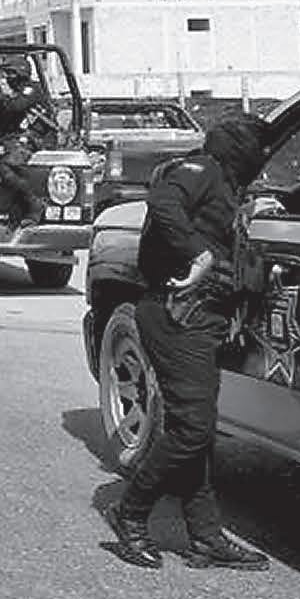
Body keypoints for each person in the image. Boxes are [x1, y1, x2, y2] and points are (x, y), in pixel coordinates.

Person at [102, 110, 275, 571]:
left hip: (199, 318)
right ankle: (130, 512)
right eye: (259, 150)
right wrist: (197, 255)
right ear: (240, 148)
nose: (263, 158)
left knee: (196, 431)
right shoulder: (201, 169)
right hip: (178, 314)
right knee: (192, 430)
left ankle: (206, 535)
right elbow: (164, 203)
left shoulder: (228, 184)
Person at [0, 63, 56, 234]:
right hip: (16, 139)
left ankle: (34, 203)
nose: (7, 78)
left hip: (36, 139)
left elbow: (17, 106)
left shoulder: (31, 89)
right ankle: (16, 214)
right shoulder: (14, 92)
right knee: (9, 166)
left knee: (9, 166)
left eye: (10, 73)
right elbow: (2, 118)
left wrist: (3, 92)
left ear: (20, 73)